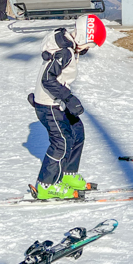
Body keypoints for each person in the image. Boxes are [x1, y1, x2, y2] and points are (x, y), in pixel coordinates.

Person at [27, 14, 107, 200]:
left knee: (77, 131)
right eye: (91, 44)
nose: (89, 48)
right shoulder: (66, 53)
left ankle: (68, 175)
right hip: (49, 104)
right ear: (83, 37)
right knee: (61, 142)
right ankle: (47, 185)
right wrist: (69, 98)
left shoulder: (69, 47)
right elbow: (48, 79)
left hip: (57, 101)